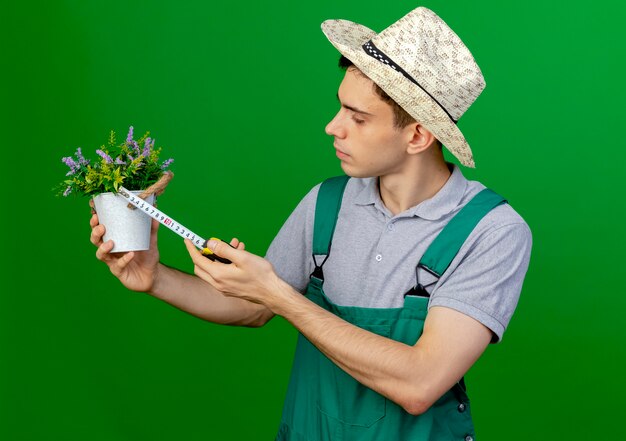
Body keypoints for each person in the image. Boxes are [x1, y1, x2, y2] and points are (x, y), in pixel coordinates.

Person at [90, 6, 532, 440]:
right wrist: (155, 278)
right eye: (341, 108)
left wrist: (280, 295)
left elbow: (420, 383)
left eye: (357, 118)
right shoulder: (327, 202)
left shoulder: (492, 232)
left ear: (417, 135)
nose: (332, 127)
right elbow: (254, 308)